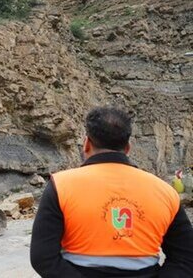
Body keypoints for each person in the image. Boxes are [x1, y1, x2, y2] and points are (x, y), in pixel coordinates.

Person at [30, 106, 193, 277]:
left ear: (86, 144)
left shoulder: (61, 184)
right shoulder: (164, 191)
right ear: (128, 147)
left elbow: (43, 258)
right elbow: (186, 258)